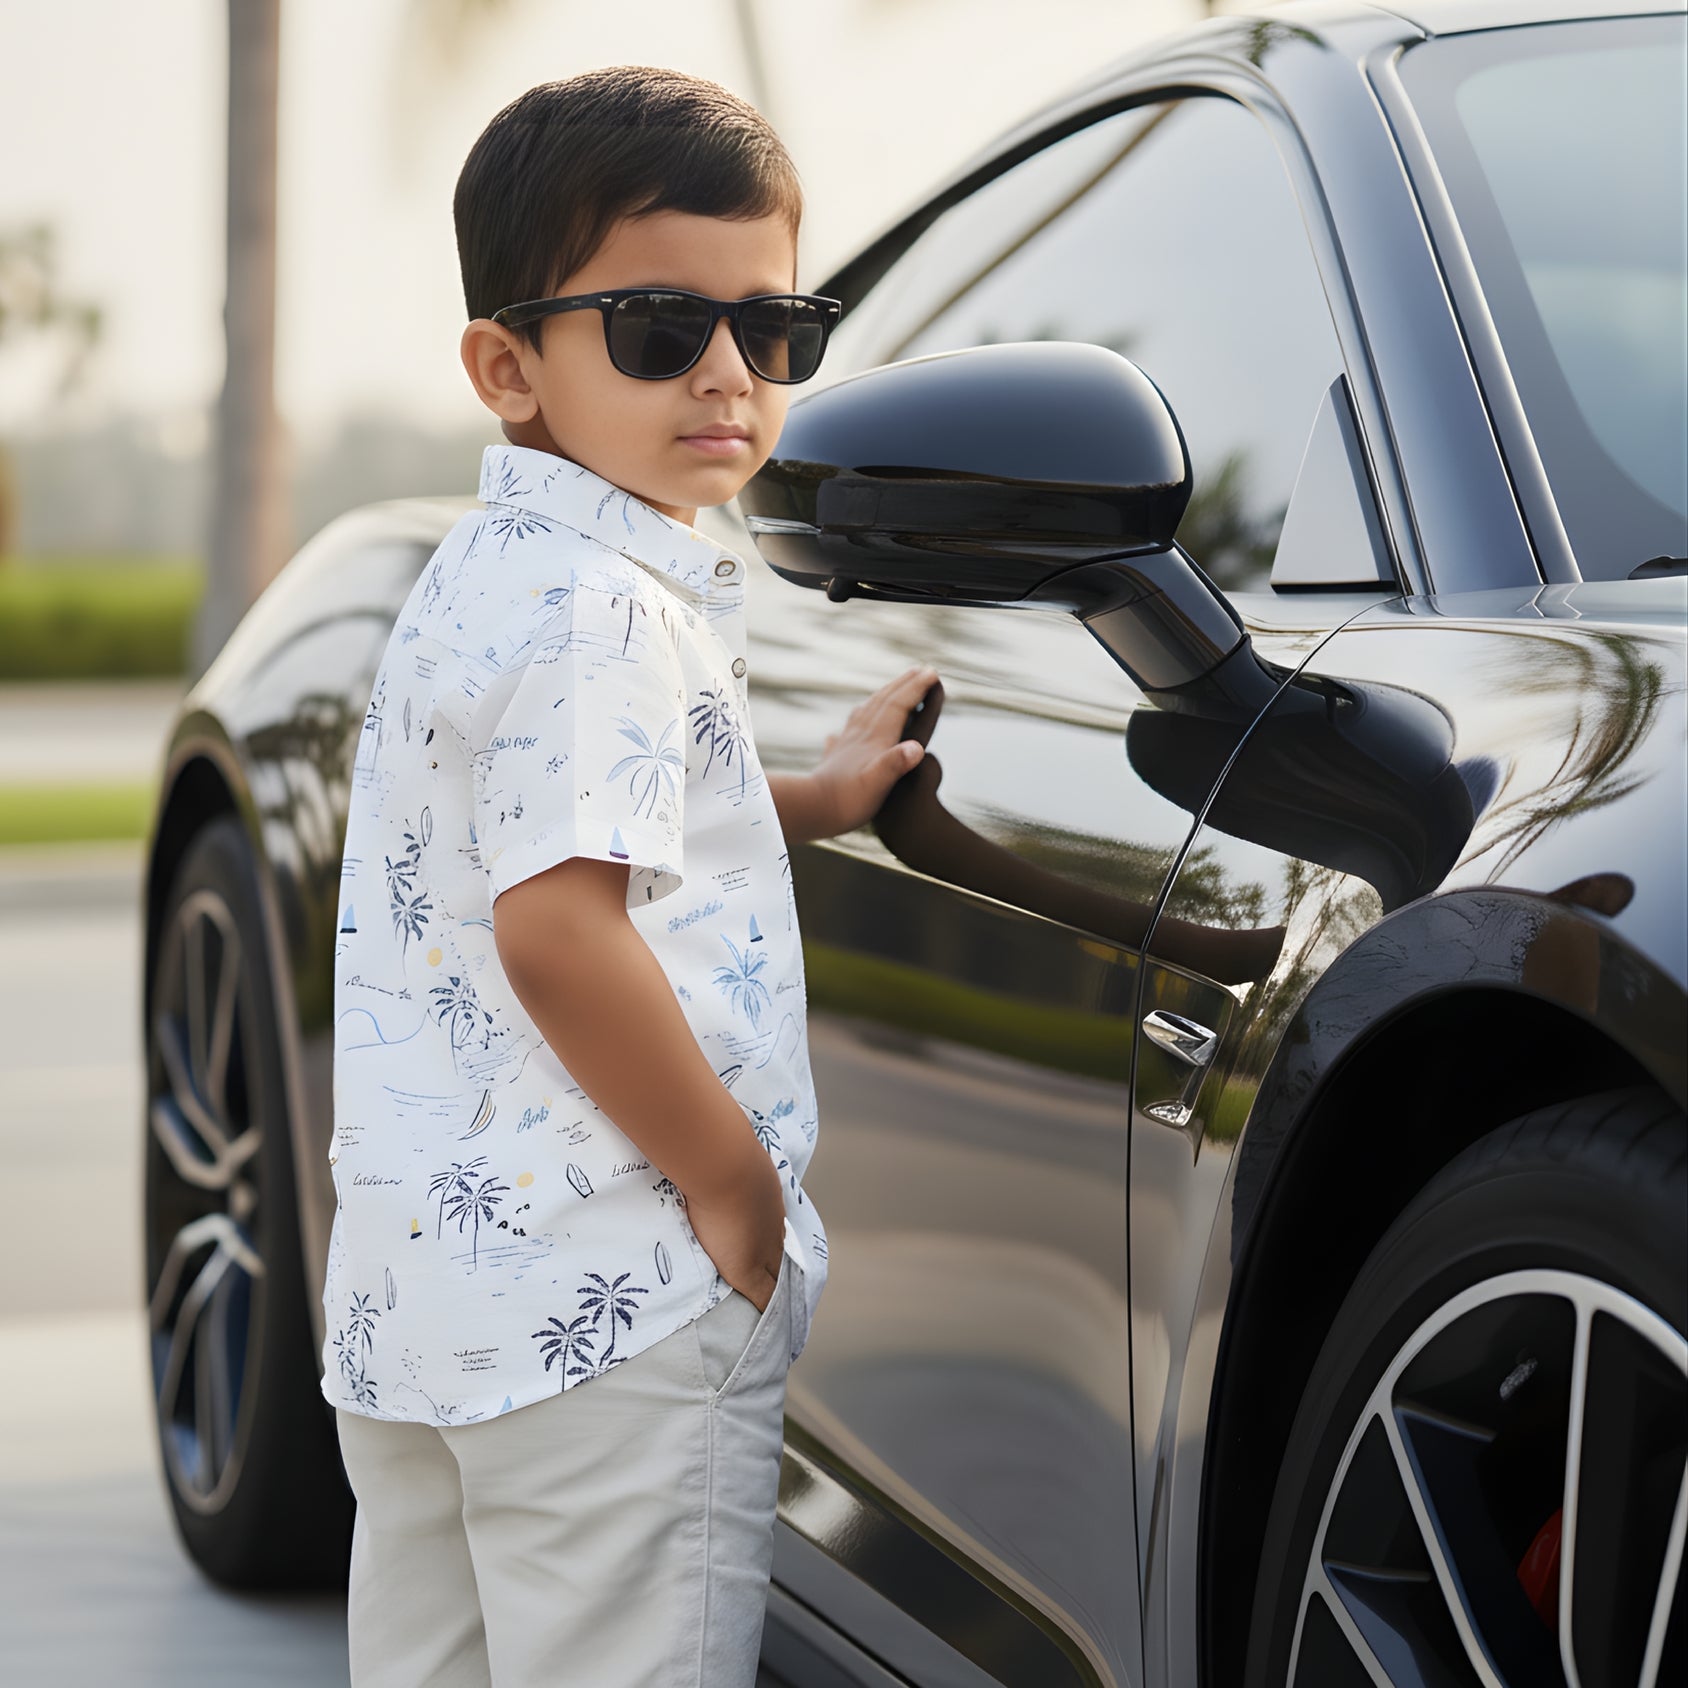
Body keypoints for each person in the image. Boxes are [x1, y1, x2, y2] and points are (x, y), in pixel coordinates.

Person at [320, 65, 936, 1688]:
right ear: (506, 366)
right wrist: (736, 1194)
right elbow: (559, 932)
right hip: (608, 1297)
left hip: (424, 1312)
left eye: (775, 327)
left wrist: (813, 796)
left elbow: (552, 844)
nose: (729, 371)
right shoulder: (613, 610)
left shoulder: (492, 571)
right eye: (662, 327)